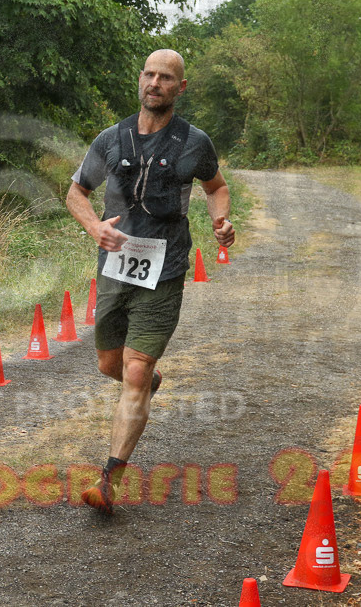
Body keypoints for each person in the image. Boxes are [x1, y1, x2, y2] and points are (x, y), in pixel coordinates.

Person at [65, 49, 235, 514]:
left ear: (181, 87)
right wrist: (94, 227)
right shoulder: (112, 139)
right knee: (109, 365)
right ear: (140, 80)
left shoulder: (193, 143)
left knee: (134, 371)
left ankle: (108, 479)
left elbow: (216, 186)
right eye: (149, 74)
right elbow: (76, 192)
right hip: (116, 264)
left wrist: (221, 220)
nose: (155, 83)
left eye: (166, 77)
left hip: (166, 266)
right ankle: (146, 378)